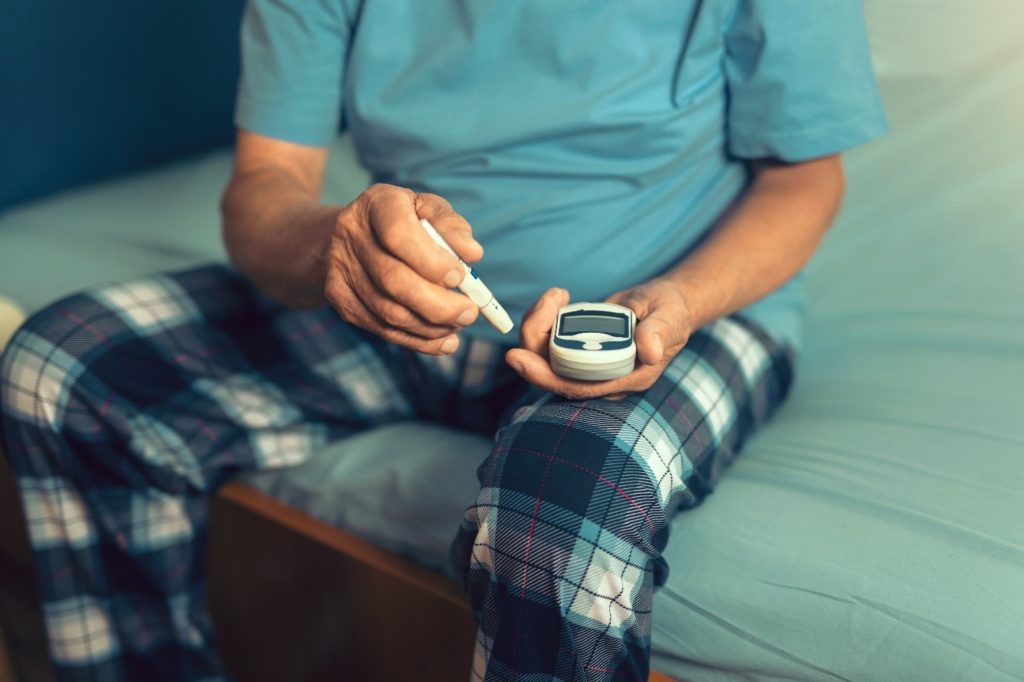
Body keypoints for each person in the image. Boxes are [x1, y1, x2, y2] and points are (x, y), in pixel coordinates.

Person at [0, 1, 887, 680]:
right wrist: (334, 247)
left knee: (564, 512)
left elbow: (804, 181)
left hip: (667, 304)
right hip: (420, 307)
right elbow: (265, 186)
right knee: (64, 369)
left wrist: (676, 301)